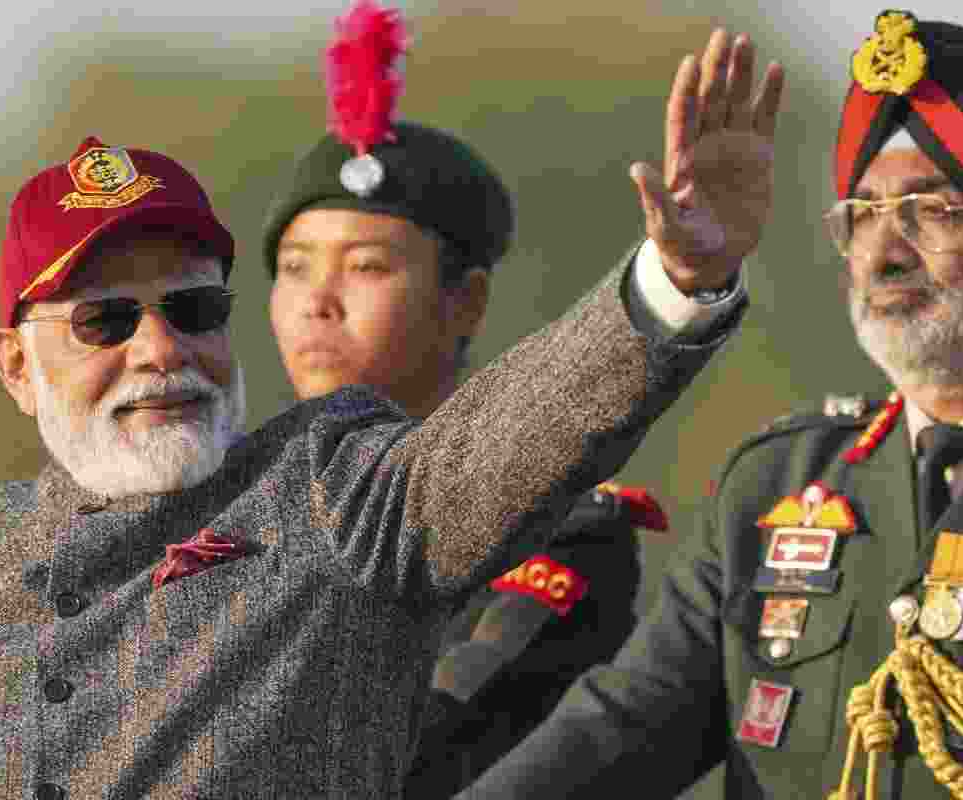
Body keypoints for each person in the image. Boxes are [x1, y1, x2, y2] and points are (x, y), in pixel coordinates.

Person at [0, 11, 783, 797]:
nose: (159, 350)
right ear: (15, 364)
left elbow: (511, 430)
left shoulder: (327, 491)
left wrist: (675, 278)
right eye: (106, 321)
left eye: (191, 309)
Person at [461, 12, 963, 800]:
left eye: (932, 210)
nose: (882, 253)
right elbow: (620, 729)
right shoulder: (779, 483)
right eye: (863, 216)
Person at [260, 104, 684, 796]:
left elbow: (430, 741)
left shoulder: (558, 534)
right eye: (293, 268)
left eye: (365, 267)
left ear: (466, 302)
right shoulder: (225, 520)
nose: (318, 302)